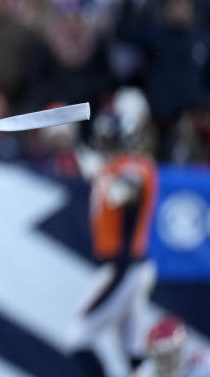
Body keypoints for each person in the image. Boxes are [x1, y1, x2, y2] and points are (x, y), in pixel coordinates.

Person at [70, 87, 159, 377]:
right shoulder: (113, 167)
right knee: (135, 356)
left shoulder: (133, 167)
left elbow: (126, 192)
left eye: (111, 139)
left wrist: (104, 175)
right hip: (128, 267)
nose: (105, 145)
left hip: (124, 267)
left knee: (78, 337)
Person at [133, 317, 210, 377]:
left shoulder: (199, 362)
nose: (170, 360)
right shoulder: (147, 371)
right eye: (164, 356)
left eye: (174, 353)